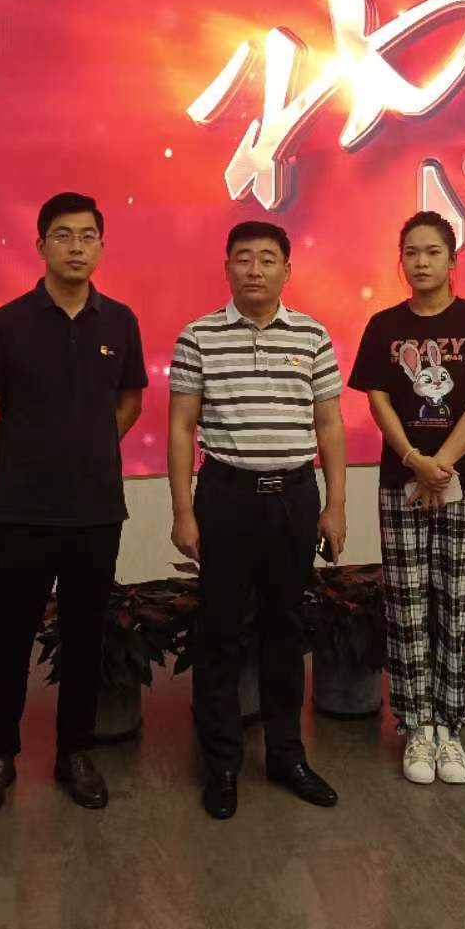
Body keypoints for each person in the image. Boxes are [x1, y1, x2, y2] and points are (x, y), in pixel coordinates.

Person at [0, 192, 148, 817]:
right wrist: (19, 471)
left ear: (101, 246)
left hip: (96, 511)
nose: (76, 247)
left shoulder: (119, 322)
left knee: (84, 636)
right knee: (10, 636)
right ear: (41, 245)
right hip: (24, 513)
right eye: (63, 235)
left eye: (88, 236)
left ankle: (75, 752)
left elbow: (130, 403)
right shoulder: (5, 324)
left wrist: (88, 452)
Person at [168, 220, 347, 820]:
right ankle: (221, 762)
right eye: (242, 258)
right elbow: (181, 427)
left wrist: (335, 504)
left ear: (286, 270)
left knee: (284, 628)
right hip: (226, 497)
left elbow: (329, 424)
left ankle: (286, 755)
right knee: (219, 632)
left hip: (294, 498)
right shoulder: (198, 336)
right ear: (226, 268)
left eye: (267, 258)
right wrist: (183, 510)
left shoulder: (313, 335)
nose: (254, 269)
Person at [347, 211, 465, 786]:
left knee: (458, 601)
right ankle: (417, 726)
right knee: (407, 603)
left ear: (452, 260)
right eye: (411, 252)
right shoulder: (384, 326)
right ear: (401, 260)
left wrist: (440, 464)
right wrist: (413, 460)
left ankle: (451, 727)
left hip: (464, 483)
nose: (421, 262)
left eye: (432, 252)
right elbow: (377, 399)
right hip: (401, 480)